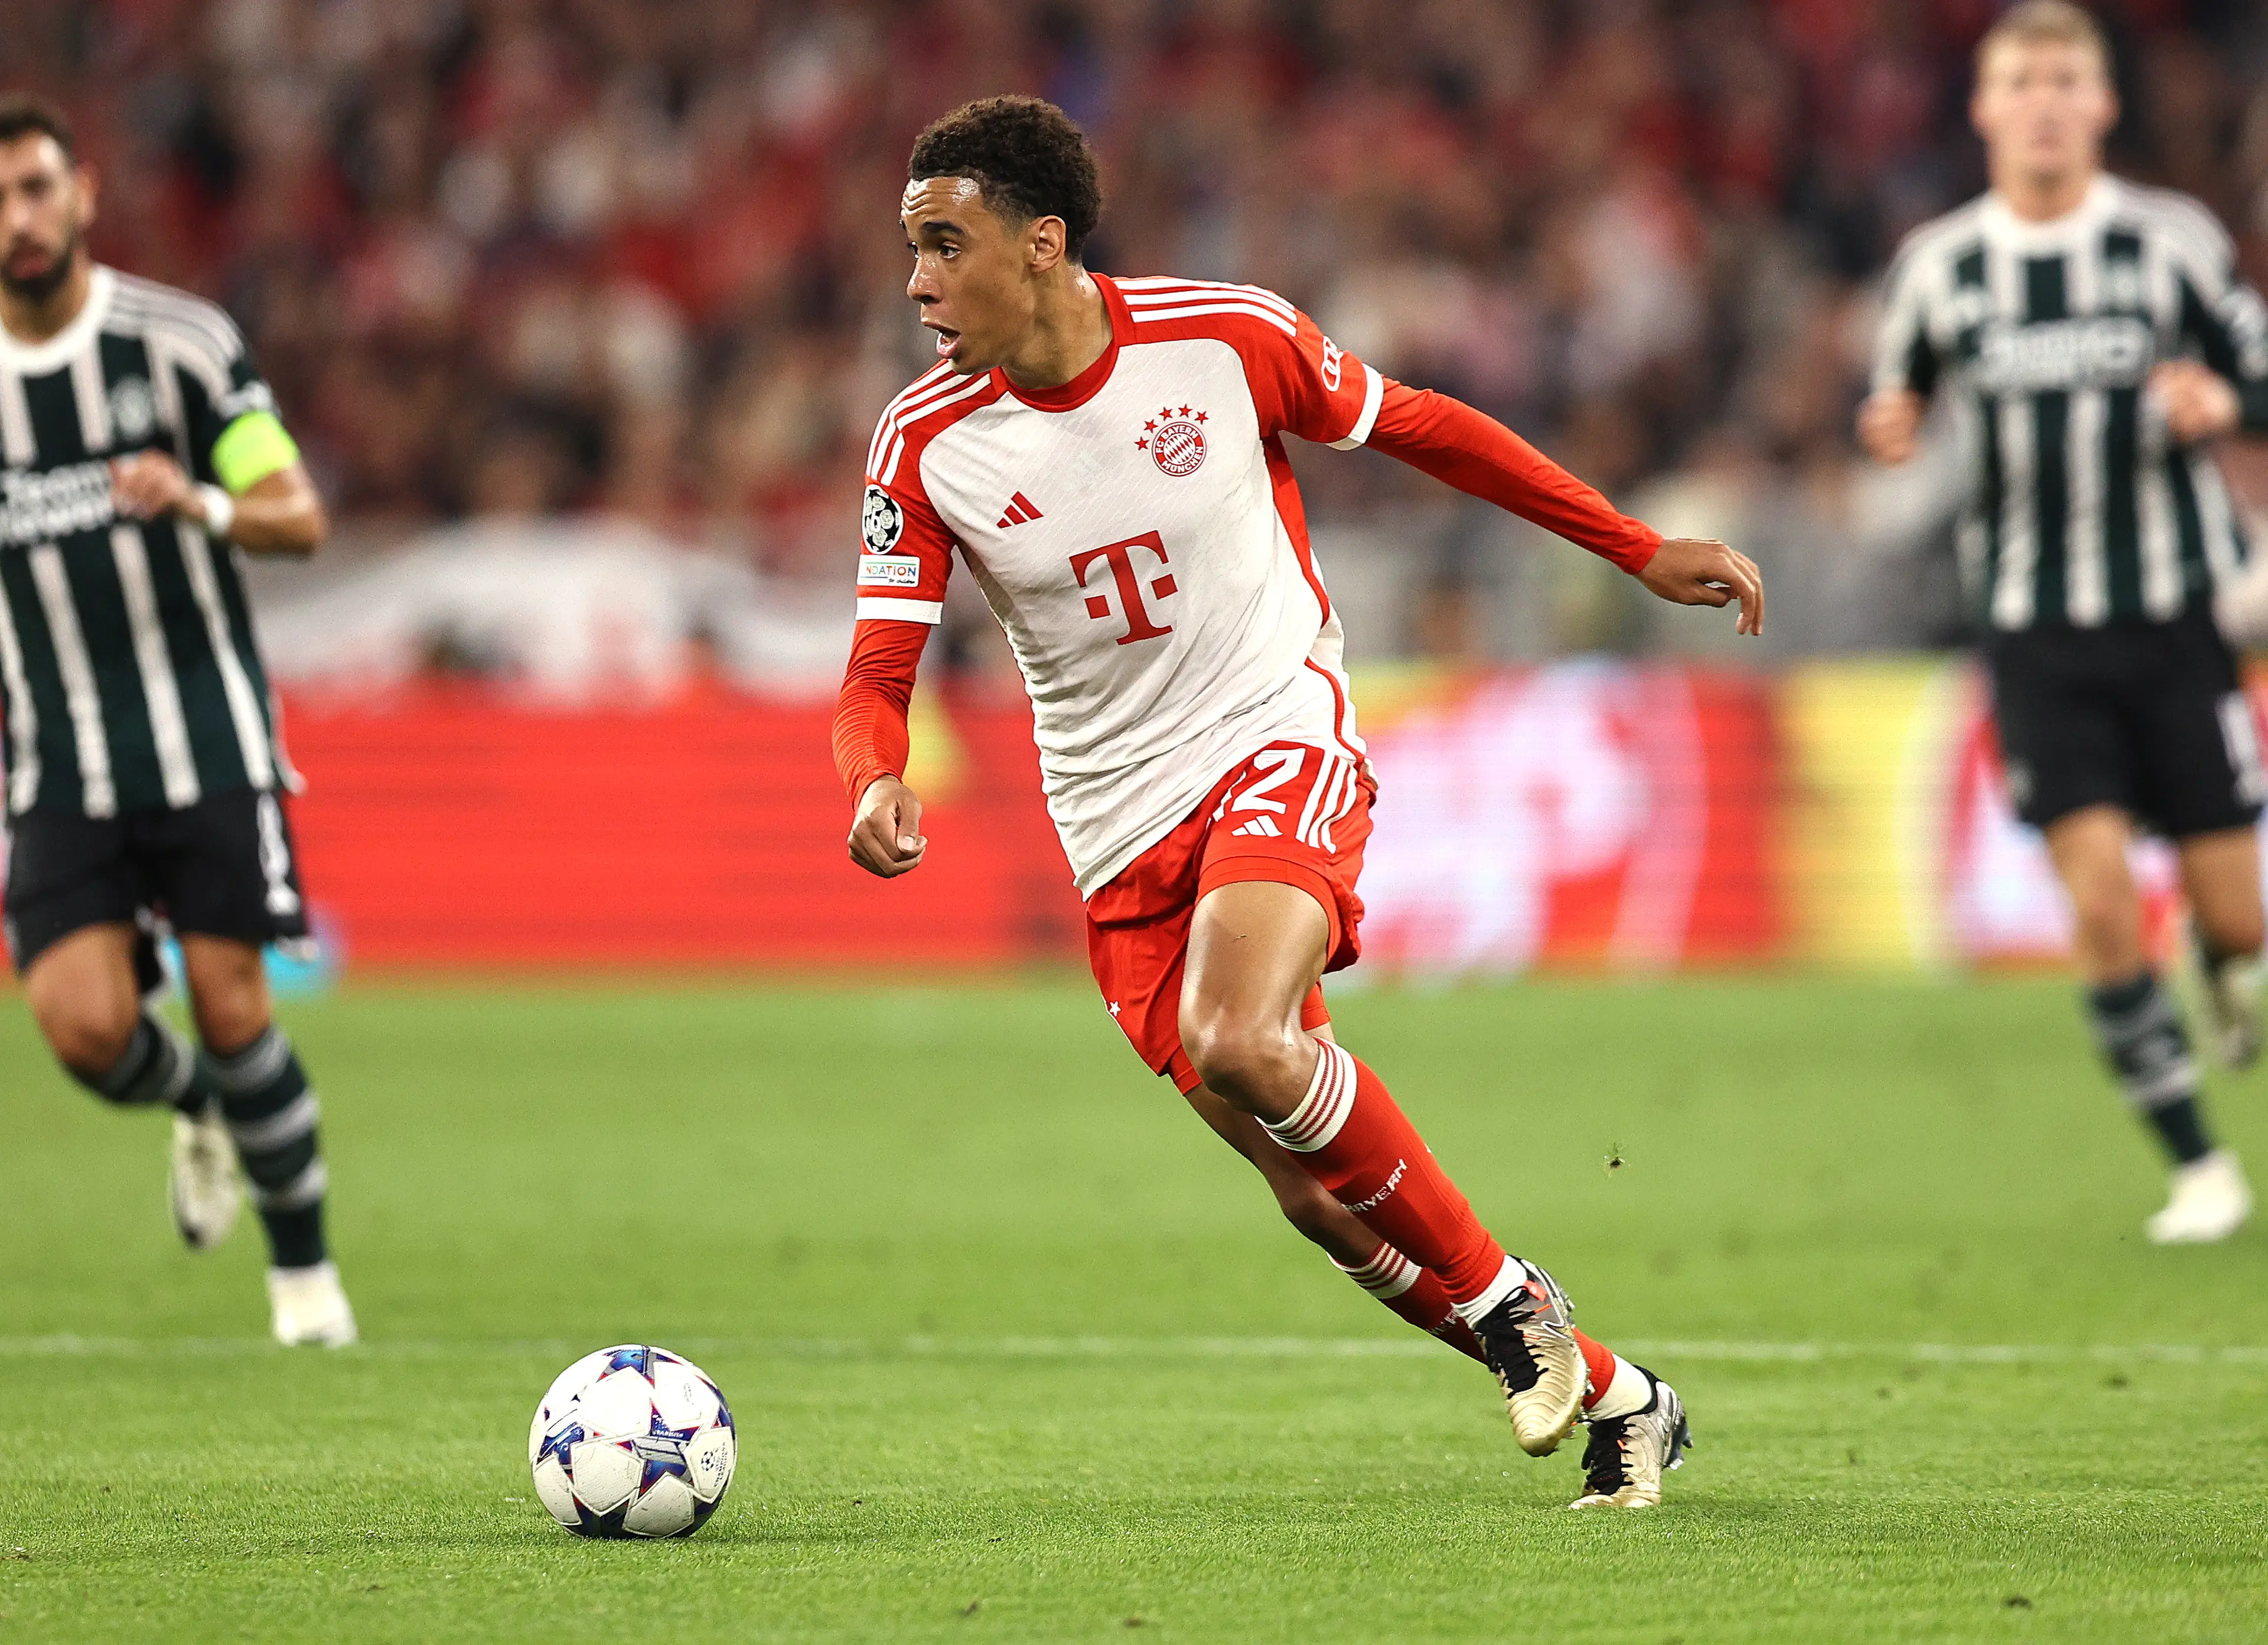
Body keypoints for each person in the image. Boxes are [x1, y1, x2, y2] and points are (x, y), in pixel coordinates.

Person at [833, 96, 1765, 1508]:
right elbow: (875, 671)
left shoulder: (1229, 333)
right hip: (1113, 821)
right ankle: (1626, 1396)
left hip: (1276, 731)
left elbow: (1433, 431)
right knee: (1316, 1196)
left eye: (941, 246)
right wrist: (874, 778)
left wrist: (1634, 548)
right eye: (909, 251)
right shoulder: (921, 445)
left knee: (1244, 1037)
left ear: (1040, 243)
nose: (915, 283)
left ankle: (1518, 1308)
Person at [1861, 1, 2268, 1244]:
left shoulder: (2170, 244)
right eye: (2021, 79)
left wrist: (2220, 394)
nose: (2043, 99)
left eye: (2065, 79)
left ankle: (2220, 962)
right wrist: (1894, 427)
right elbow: (1897, 394)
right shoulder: (1941, 265)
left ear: (2101, 106)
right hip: (2037, 635)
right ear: (1985, 110)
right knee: (2098, 905)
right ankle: (2200, 1167)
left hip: (2176, 621)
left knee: (2243, 921)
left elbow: (2257, 363)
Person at [0, 96, 353, 1343]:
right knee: (86, 1030)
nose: (20, 220)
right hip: (54, 758)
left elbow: (297, 511)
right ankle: (197, 1105)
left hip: (205, 735)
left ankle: (305, 1280)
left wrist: (199, 501)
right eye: (0, 201)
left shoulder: (184, 346)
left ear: (83, 193)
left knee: (237, 1003)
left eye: (37, 189)